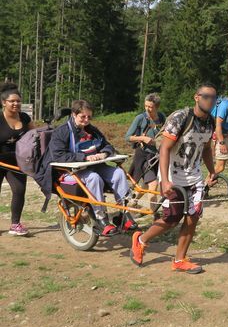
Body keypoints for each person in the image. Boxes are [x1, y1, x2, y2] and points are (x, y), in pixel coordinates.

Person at [130, 83, 218, 274]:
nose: (210, 101)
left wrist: (212, 171)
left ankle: (179, 259)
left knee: (193, 217)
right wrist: (164, 181)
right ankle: (140, 240)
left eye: (214, 98)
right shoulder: (181, 118)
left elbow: (205, 149)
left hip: (194, 176)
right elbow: (164, 148)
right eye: (206, 97)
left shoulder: (210, 122)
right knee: (171, 219)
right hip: (172, 175)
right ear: (196, 97)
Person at [36, 99, 136, 236]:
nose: (86, 120)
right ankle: (100, 218)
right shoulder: (62, 132)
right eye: (83, 116)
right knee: (94, 178)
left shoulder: (92, 130)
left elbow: (107, 145)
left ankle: (124, 215)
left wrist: (104, 153)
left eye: (89, 117)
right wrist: (84, 157)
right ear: (74, 115)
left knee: (118, 173)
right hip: (70, 171)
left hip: (94, 166)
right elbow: (58, 155)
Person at [0, 83, 34, 236]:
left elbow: (35, 136)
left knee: (19, 190)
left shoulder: (25, 117)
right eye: (12, 101)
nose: (16, 104)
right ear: (3, 102)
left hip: (17, 161)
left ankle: (15, 225)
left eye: (18, 101)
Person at [125, 93, 165, 195]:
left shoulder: (162, 117)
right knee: (152, 184)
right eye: (146, 106)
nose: (147, 109)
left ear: (157, 107)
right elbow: (127, 137)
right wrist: (142, 138)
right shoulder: (140, 118)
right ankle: (152, 210)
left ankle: (133, 201)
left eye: (150, 107)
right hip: (143, 155)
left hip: (156, 156)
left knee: (147, 184)